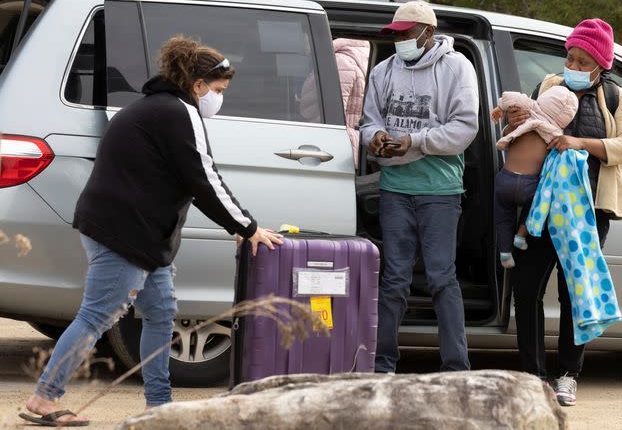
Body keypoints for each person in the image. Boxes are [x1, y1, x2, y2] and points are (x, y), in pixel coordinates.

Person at [20, 36, 284, 427]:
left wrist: (238, 225)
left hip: (136, 233)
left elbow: (184, 178)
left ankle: (158, 404)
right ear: (197, 85)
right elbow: (202, 177)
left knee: (161, 313)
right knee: (98, 316)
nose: (218, 98)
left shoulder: (152, 108)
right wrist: (247, 226)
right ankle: (44, 398)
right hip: (125, 233)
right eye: (218, 90)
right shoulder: (178, 112)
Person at [506, 18, 622, 407]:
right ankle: (532, 376)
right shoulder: (549, 86)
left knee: (574, 291)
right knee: (527, 288)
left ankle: (568, 374)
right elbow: (530, 125)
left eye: (584, 61)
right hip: (542, 206)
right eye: (571, 58)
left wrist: (578, 142)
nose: (575, 67)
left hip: (588, 212)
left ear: (602, 64)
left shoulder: (617, 100)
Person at [361, 0, 479, 373]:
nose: (400, 41)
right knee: (394, 278)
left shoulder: (457, 66)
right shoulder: (383, 70)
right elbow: (368, 121)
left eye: (406, 34)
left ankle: (456, 368)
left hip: (439, 191)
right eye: (395, 35)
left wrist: (415, 142)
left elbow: (465, 129)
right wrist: (375, 136)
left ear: (428, 33)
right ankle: (382, 365)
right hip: (395, 186)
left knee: (442, 277)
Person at [491, 86, 578, 268]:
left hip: (504, 179)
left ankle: (505, 253)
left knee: (503, 216)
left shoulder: (527, 110)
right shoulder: (556, 134)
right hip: (530, 185)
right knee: (537, 204)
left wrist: (500, 109)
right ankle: (521, 236)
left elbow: (509, 97)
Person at [300, 38, 370, 168]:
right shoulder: (363, 54)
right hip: (355, 142)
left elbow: (324, 114)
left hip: (339, 146)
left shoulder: (339, 61)